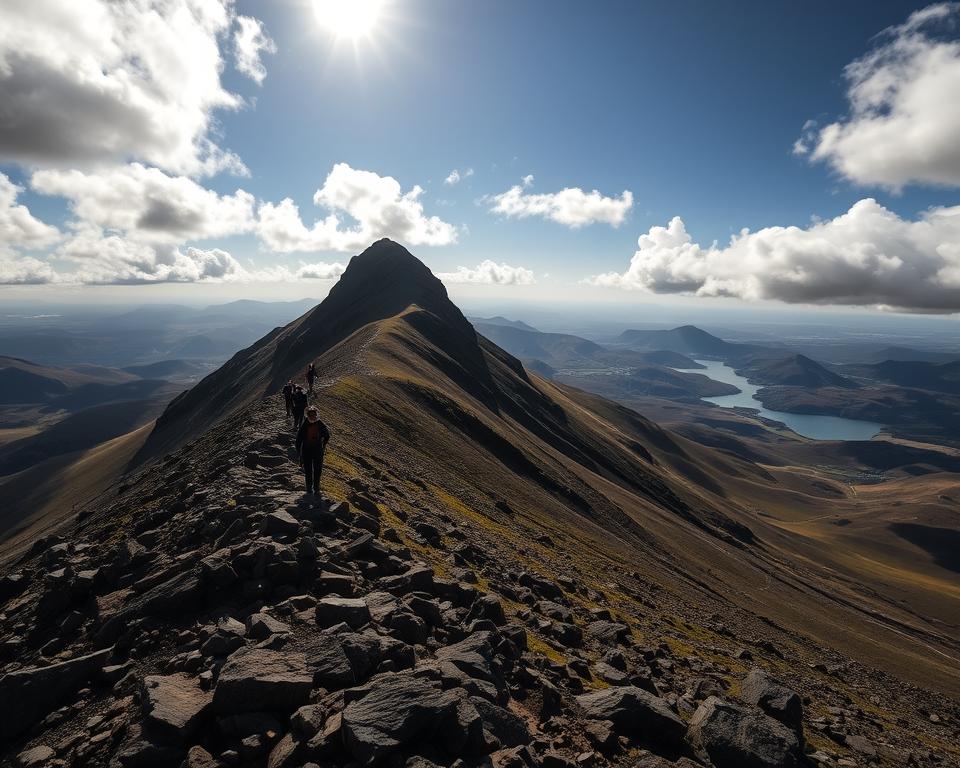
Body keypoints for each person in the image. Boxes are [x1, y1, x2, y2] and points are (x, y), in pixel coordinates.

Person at [295, 405, 329, 495]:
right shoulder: (319, 424)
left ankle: (312, 488)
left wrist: (299, 452)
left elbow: (298, 440)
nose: (312, 416)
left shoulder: (305, 424)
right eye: (311, 415)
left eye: (313, 415)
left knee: (313, 470)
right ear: (308, 415)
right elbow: (327, 435)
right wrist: (323, 443)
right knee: (312, 470)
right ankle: (313, 488)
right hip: (313, 451)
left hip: (311, 451)